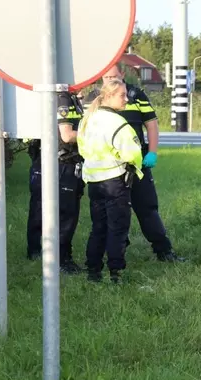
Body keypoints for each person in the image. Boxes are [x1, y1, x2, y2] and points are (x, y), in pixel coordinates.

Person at [98, 63, 184, 262]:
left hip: (138, 164)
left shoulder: (136, 95)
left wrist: (152, 153)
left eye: (113, 76)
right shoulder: (94, 98)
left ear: (122, 74)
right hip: (109, 167)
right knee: (112, 212)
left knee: (147, 208)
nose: (110, 81)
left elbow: (151, 125)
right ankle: (114, 255)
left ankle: (164, 251)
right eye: (106, 78)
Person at [77, 79, 144, 284]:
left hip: (95, 183)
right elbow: (133, 152)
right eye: (122, 95)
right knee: (118, 228)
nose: (127, 99)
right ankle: (116, 274)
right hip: (115, 181)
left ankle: (93, 272)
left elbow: (82, 148)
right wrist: (134, 165)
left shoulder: (88, 119)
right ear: (108, 96)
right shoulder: (117, 122)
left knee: (98, 227)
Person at [25, 90, 85, 274]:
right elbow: (66, 135)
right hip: (61, 164)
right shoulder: (63, 98)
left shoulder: (62, 96)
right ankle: (61, 261)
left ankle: (36, 253)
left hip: (48, 162)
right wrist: (93, 133)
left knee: (40, 209)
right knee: (65, 214)